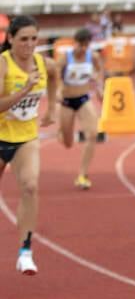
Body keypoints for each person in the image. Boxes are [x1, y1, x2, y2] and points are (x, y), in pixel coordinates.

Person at [0, 15, 57, 274]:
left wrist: (52, 108)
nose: (29, 44)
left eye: (34, 39)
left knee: (31, 186)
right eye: (24, 39)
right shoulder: (4, 65)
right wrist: (25, 89)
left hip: (25, 137)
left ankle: (25, 251)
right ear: (10, 39)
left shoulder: (44, 64)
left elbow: (55, 77)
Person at [56, 27, 104, 189]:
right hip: (67, 102)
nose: (83, 49)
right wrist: (57, 90)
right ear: (74, 43)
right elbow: (54, 76)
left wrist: (99, 87)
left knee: (92, 134)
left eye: (86, 45)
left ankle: (82, 175)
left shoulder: (93, 57)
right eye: (80, 45)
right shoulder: (65, 59)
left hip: (84, 98)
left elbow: (99, 72)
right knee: (68, 143)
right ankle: (62, 132)